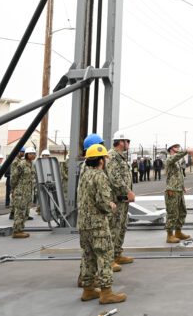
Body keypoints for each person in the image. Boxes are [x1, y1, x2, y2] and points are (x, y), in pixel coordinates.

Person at [77, 143, 127, 305]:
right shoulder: (100, 176)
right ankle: (106, 293)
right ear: (100, 160)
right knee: (105, 256)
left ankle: (88, 289)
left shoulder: (84, 174)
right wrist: (111, 206)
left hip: (84, 224)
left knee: (88, 256)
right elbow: (103, 202)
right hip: (98, 224)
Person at [106, 130, 136, 271]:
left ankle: (117, 254)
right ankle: (109, 259)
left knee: (121, 227)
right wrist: (128, 191)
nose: (128, 144)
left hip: (122, 200)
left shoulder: (120, 157)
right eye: (127, 141)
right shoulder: (112, 156)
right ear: (120, 142)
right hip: (116, 200)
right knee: (113, 229)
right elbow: (115, 178)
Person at [164, 143, 190, 244]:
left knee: (182, 211)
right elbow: (176, 157)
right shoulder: (169, 159)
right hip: (172, 190)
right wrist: (186, 151)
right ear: (171, 149)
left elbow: (179, 175)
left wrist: (183, 187)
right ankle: (169, 235)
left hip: (178, 189)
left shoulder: (177, 161)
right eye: (176, 147)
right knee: (172, 213)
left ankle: (178, 232)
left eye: (178, 147)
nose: (178, 149)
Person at [11, 146, 37, 238]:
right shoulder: (22, 164)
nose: (33, 155)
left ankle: (20, 229)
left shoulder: (31, 164)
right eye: (31, 154)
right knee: (20, 211)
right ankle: (16, 231)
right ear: (26, 155)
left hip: (28, 192)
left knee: (25, 212)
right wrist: (13, 189)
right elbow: (14, 177)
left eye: (34, 154)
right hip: (20, 192)